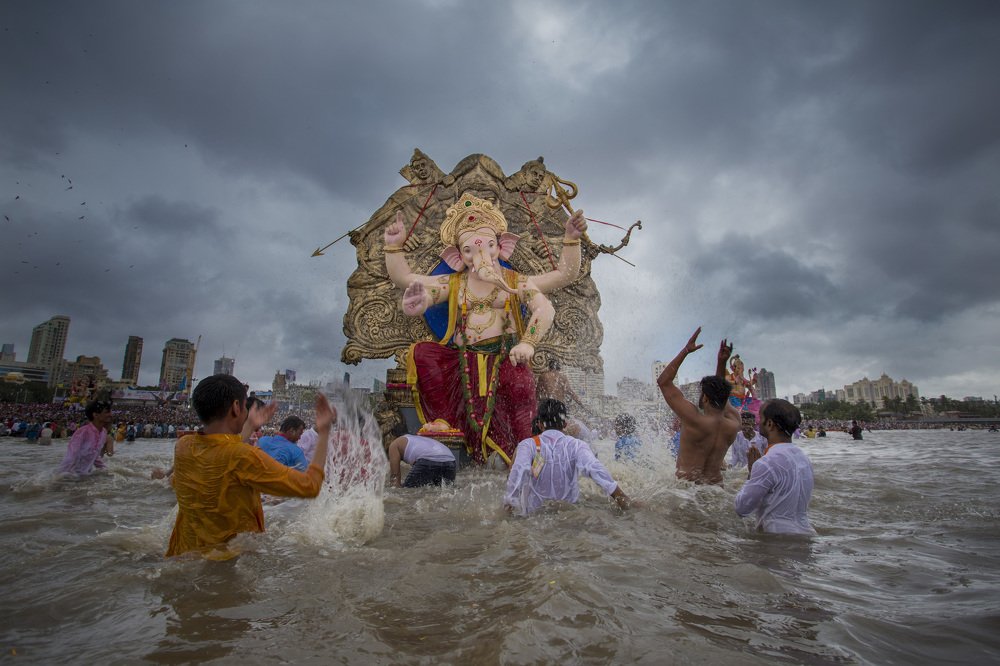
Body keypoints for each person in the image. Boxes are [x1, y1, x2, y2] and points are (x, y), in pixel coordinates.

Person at [165, 374, 336, 558]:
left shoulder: (183, 446)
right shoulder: (245, 457)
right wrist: (324, 431)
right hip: (227, 563)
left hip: (182, 553)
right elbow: (309, 486)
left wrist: (250, 425)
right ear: (236, 407)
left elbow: (221, 452)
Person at [504, 399, 632, 516]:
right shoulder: (577, 445)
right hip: (568, 518)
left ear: (540, 424)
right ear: (565, 424)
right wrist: (621, 497)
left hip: (535, 518)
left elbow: (518, 472)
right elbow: (595, 469)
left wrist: (508, 507)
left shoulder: (527, 445)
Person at [656, 329, 740, 485]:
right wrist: (721, 363)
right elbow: (721, 393)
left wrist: (686, 350)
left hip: (688, 490)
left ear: (706, 398)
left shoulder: (694, 419)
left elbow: (663, 382)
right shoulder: (734, 423)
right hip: (716, 488)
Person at [735, 399, 816, 535]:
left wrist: (751, 473)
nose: (757, 422)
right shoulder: (803, 458)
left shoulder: (766, 463)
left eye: (760, 418)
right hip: (806, 534)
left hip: (776, 540)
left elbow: (742, 509)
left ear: (770, 424)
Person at [56, 400, 114, 477]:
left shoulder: (103, 432)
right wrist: (59, 477)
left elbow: (95, 457)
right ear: (95, 415)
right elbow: (70, 456)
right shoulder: (82, 432)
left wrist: (105, 469)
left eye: (110, 412)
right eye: (107, 412)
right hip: (71, 476)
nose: (111, 414)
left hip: (85, 476)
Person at [386, 428, 458, 488]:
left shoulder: (394, 444)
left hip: (427, 459)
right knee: (445, 492)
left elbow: (395, 477)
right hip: (450, 461)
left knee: (407, 492)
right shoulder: (417, 439)